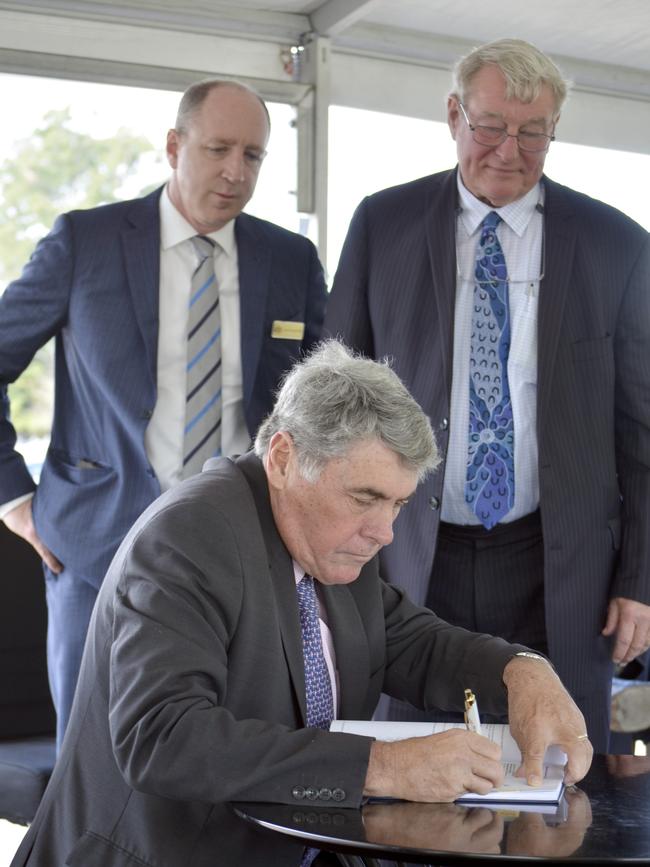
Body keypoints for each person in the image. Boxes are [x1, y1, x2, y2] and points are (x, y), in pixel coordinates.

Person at [11, 341, 592, 867]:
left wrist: (524, 672)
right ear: (285, 458)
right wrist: (383, 765)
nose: (384, 531)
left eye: (397, 504)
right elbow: (163, 738)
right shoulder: (191, 536)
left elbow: (410, 643)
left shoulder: (324, 537)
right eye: (365, 497)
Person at [324, 37, 650, 754]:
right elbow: (332, 402)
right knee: (407, 767)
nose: (510, 149)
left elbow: (642, 432)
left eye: (533, 132)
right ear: (453, 115)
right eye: (492, 126)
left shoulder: (616, 244)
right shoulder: (383, 224)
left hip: (559, 566)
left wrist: (640, 578)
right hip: (408, 555)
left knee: (557, 773)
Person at [0, 79, 327, 749]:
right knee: (92, 761)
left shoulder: (289, 260)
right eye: (218, 149)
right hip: (93, 546)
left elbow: (320, 403)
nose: (236, 172)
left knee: (227, 757)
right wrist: (13, 500)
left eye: (253, 156)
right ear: (174, 146)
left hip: (243, 553)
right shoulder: (83, 242)